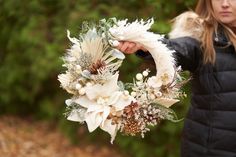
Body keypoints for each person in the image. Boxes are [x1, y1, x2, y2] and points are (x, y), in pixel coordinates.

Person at [116, 0, 236, 157]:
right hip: (207, 149)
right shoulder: (201, 37)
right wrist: (145, 44)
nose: (225, 3)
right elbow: (178, 49)